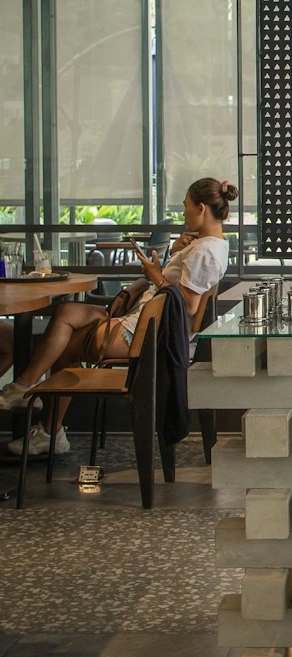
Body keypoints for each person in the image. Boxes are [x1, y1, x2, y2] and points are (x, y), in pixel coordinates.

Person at [0, 178, 236, 457]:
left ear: (200, 208)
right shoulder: (208, 245)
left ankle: (45, 423)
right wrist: (173, 256)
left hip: (144, 333)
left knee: (63, 345)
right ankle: (30, 399)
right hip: (142, 320)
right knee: (66, 313)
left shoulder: (206, 251)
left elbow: (187, 306)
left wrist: (155, 276)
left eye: (185, 207)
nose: (183, 214)